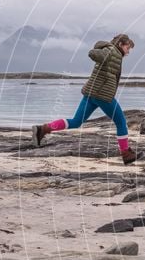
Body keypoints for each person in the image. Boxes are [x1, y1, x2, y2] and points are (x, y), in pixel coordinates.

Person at [32, 33, 139, 164]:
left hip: (91, 93)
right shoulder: (112, 51)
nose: (128, 52)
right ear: (121, 44)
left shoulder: (113, 52)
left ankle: (43, 129)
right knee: (121, 122)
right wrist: (100, 55)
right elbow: (93, 54)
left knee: (76, 121)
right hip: (103, 95)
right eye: (128, 48)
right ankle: (126, 154)